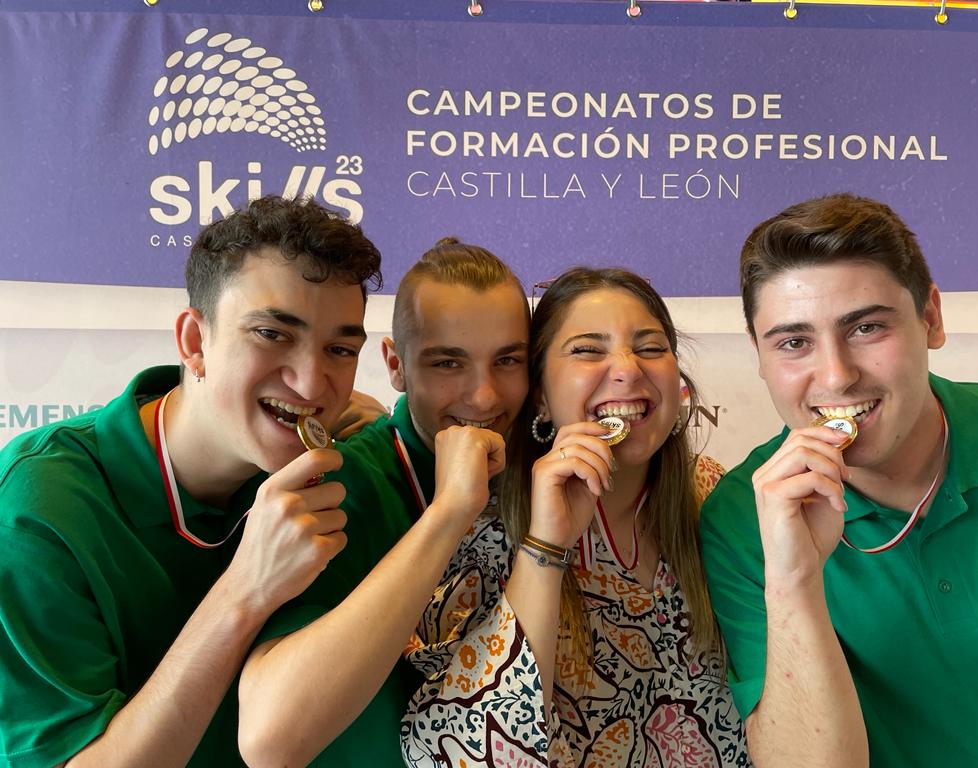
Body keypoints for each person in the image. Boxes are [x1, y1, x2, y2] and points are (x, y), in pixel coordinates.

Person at [0, 195, 383, 766]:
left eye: (339, 349)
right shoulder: (41, 507)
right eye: (273, 334)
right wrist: (245, 591)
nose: (312, 383)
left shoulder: (332, 468)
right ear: (194, 342)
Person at [700, 193, 978, 767]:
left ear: (931, 319)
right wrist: (794, 579)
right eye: (794, 342)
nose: (836, 375)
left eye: (867, 328)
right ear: (759, 354)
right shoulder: (739, 516)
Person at [402, 267, 749, 767]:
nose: (628, 369)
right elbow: (462, 755)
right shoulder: (481, 530)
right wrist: (545, 549)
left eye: (650, 347)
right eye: (588, 350)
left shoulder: (714, 495)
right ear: (539, 393)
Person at [236, 238, 531, 767]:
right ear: (395, 363)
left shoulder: (543, 479)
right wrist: (448, 514)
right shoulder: (337, 486)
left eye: (508, 360)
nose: (484, 397)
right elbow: (268, 742)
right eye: (448, 363)